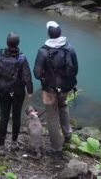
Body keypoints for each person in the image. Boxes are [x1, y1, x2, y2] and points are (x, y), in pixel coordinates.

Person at [33, 20, 78, 155]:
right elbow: (75, 69)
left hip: (50, 89)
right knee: (63, 106)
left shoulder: (43, 51)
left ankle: (56, 146)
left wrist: (44, 79)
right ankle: (68, 134)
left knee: (52, 116)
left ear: (48, 35)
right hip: (66, 87)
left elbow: (36, 73)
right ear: (60, 34)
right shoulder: (70, 48)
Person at [0, 32, 34, 152]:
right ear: (18, 43)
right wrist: (29, 90)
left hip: (3, 91)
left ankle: (1, 145)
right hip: (17, 91)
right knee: (16, 116)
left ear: (7, 43)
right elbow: (27, 76)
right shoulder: (22, 58)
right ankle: (14, 143)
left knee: (4, 116)